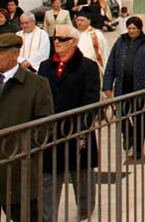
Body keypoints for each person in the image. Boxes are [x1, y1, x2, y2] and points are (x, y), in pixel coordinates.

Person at [0, 33, 54, 221]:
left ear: (15, 55)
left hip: (18, 173)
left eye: (0, 52)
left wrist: (20, 148)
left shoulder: (37, 84)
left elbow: (44, 127)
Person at [38, 25, 100, 221]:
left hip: (76, 131)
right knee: (49, 177)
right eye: (55, 38)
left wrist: (83, 127)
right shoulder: (45, 67)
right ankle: (49, 216)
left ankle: (84, 207)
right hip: (51, 131)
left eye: (62, 39)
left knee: (81, 174)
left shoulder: (87, 67)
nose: (57, 42)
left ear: (74, 41)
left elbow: (91, 100)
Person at [102, 16, 145, 160]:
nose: (131, 31)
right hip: (123, 87)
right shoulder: (120, 42)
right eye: (129, 28)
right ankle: (128, 135)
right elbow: (111, 64)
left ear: (140, 29)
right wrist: (107, 85)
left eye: (134, 28)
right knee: (121, 115)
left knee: (141, 119)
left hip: (141, 88)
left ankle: (138, 148)